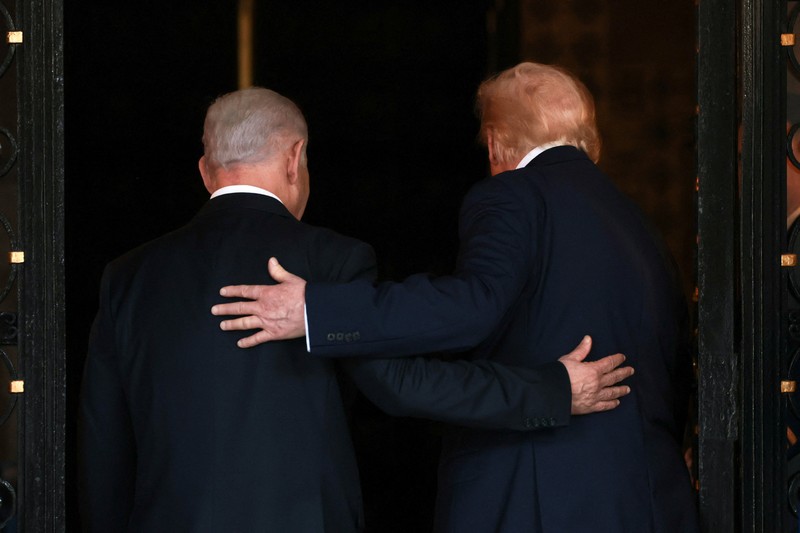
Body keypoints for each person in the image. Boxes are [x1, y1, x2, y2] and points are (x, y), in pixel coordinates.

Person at [78, 86, 634, 532]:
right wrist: (551, 390)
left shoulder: (127, 277)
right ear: (296, 159)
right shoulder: (332, 259)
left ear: (206, 170)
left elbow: (104, 442)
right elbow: (403, 386)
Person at [212, 63, 700, 532]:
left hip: (541, 499)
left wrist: (316, 310)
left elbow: (472, 308)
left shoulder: (512, 194)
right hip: (648, 499)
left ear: (494, 142)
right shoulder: (640, 224)